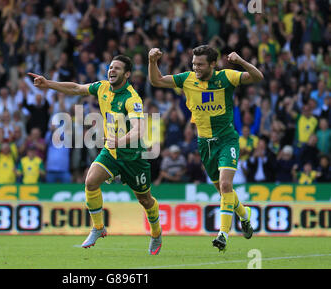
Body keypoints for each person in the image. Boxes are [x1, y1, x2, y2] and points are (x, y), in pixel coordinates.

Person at [28, 54, 163, 255]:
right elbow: (76, 88)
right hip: (111, 152)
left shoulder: (131, 98)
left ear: (127, 74)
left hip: (134, 156)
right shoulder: (102, 87)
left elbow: (139, 130)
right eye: (110, 67)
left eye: (117, 68)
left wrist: (120, 140)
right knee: (90, 182)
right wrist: (48, 84)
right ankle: (99, 228)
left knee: (145, 199)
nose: (111, 70)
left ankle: (156, 232)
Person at [148, 45, 264, 252]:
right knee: (223, 191)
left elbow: (258, 77)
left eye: (200, 64)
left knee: (226, 185)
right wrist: (152, 61)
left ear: (212, 64)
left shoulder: (226, 77)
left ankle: (223, 234)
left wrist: (240, 61)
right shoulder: (187, 79)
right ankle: (244, 216)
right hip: (204, 144)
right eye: (193, 64)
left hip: (227, 139)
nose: (196, 68)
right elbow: (156, 80)